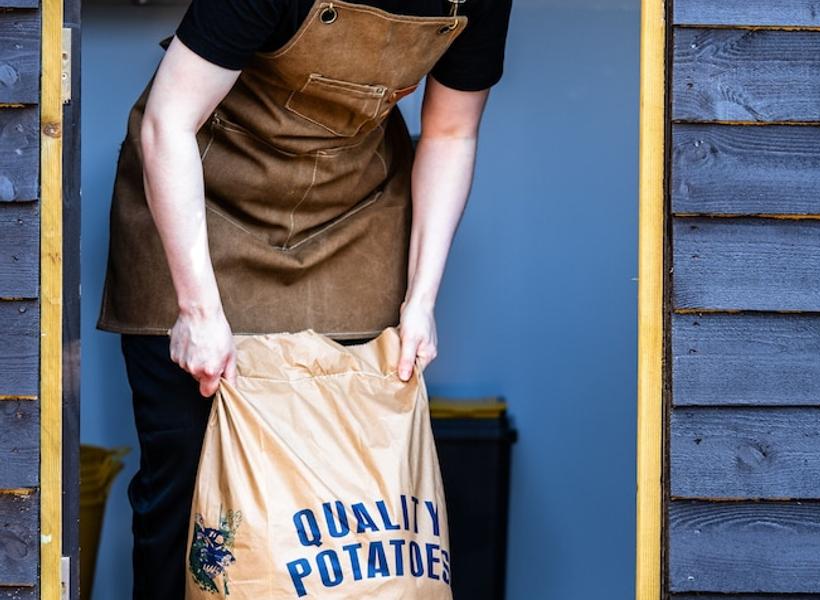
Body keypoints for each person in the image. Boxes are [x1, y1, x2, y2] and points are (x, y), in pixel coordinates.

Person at [95, 0, 512, 597]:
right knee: (191, 497)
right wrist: (196, 309)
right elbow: (169, 121)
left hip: (353, 215)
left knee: (347, 498)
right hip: (202, 209)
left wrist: (422, 301)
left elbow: (451, 132)